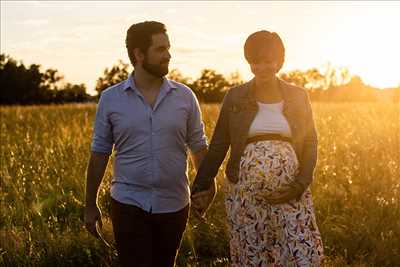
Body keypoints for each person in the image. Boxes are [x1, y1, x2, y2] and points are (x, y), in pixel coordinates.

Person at [191, 30, 324, 266]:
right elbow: (220, 144)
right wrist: (200, 186)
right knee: (253, 254)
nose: (261, 67)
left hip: (290, 190)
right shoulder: (235, 96)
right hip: (244, 193)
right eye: (255, 61)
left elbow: (310, 142)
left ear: (279, 61)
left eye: (267, 61)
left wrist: (300, 184)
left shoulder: (298, 96)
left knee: (299, 252)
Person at [84, 21, 208, 267]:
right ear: (139, 54)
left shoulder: (185, 97)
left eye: (168, 48)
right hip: (128, 203)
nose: (168, 55)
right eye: (160, 49)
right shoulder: (111, 99)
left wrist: (206, 186)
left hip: (174, 203)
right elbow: (100, 153)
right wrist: (90, 203)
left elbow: (198, 144)